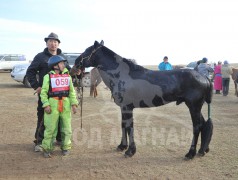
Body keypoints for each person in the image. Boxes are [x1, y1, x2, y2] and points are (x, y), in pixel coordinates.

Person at [26, 32, 71, 152]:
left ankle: (60, 139)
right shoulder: (40, 57)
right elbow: (30, 72)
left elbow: (68, 72)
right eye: (51, 41)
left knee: (61, 117)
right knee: (43, 116)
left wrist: (77, 73)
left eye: (55, 41)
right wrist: (36, 86)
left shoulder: (62, 56)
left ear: (58, 43)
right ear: (47, 43)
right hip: (46, 94)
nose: (53, 43)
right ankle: (39, 141)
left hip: (62, 95)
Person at [40, 55, 78, 158]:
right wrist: (46, 104)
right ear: (55, 65)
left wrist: (74, 104)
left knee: (67, 127)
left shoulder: (68, 76)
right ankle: (47, 148)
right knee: (50, 128)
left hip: (65, 104)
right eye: (61, 63)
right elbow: (43, 92)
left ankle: (66, 146)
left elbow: (71, 91)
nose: (64, 65)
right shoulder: (47, 77)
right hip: (53, 104)